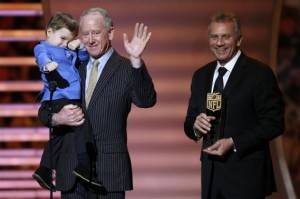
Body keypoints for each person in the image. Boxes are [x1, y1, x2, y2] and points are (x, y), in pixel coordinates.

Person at [38, 7, 156, 199]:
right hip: (71, 173)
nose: (90, 39)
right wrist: (57, 118)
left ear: (110, 33)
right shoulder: (71, 65)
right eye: (85, 34)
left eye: (96, 33)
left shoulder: (126, 68)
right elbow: (44, 111)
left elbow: (146, 100)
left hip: (109, 174)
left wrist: (136, 60)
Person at [184, 11, 285, 199]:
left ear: (239, 40)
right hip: (211, 178)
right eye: (214, 37)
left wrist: (234, 142)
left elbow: (274, 123)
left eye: (226, 37)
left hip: (246, 177)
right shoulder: (201, 76)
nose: (219, 43)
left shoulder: (259, 74)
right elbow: (189, 122)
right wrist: (195, 127)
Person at [33, 12, 102, 192]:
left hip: (69, 97)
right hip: (59, 98)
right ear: (49, 32)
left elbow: (84, 60)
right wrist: (47, 65)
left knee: (60, 135)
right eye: (62, 38)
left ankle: (45, 170)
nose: (64, 43)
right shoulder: (43, 48)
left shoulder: (67, 50)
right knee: (82, 124)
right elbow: (41, 57)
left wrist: (78, 47)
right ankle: (84, 166)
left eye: (68, 39)